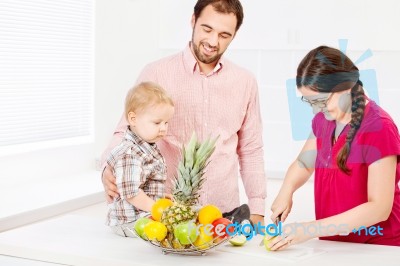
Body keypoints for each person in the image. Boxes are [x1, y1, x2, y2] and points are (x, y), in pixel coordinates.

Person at [101, 0, 266, 225]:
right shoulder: (157, 72)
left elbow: (251, 149)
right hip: (166, 214)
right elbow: (124, 131)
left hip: (223, 215)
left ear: (234, 35)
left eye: (224, 35)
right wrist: (106, 169)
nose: (212, 41)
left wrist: (257, 209)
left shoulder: (245, 81)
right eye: (207, 29)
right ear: (193, 20)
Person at [267, 46, 400, 250]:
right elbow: (304, 162)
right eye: (310, 102)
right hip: (336, 245)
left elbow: (379, 208)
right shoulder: (325, 118)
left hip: (378, 246)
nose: (316, 109)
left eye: (321, 100)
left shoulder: (379, 127)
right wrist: (287, 190)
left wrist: (310, 229)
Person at [106, 82, 175, 237]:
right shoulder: (129, 153)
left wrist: (160, 198)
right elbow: (131, 193)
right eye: (157, 122)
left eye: (166, 122)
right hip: (131, 222)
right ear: (133, 119)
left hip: (143, 216)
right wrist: (158, 208)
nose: (163, 128)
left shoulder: (147, 146)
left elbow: (143, 184)